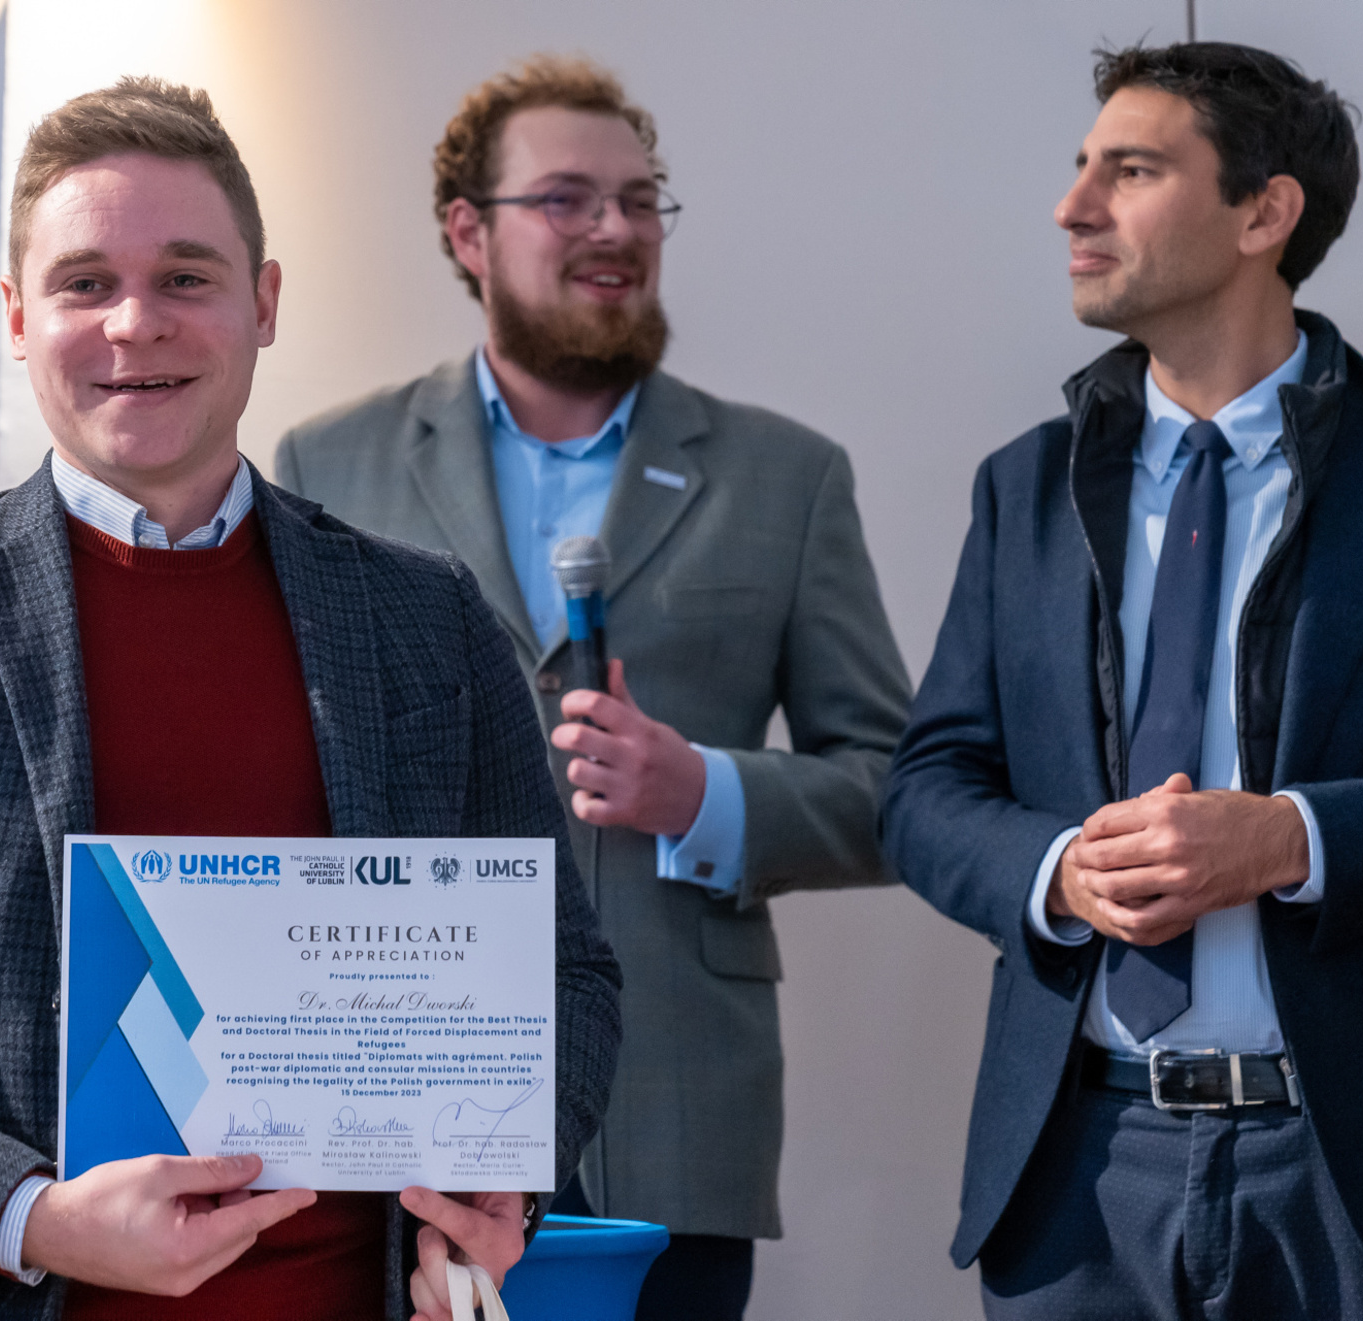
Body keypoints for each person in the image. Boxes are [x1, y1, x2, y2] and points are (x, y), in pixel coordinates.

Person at [0, 76, 621, 1321]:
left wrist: (503, 1180)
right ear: (19, 318)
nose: (136, 324)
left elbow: (563, 976)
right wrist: (28, 1216)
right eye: (85, 284)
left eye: (185, 276)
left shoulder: (428, 618)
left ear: (262, 303)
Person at [275, 57, 908, 1320]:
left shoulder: (785, 477)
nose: (616, 229)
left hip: (673, 1122)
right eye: (567, 198)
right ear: (470, 232)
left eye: (639, 199)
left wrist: (703, 793)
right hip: (398, 1122)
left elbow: (898, 789)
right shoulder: (330, 463)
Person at [884, 42, 1363, 1320]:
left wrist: (1296, 840)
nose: (1072, 207)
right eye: (1082, 168)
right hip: (1080, 1182)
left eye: (1132, 171)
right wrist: (1058, 872)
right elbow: (927, 788)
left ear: (1265, 213)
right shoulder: (1025, 485)